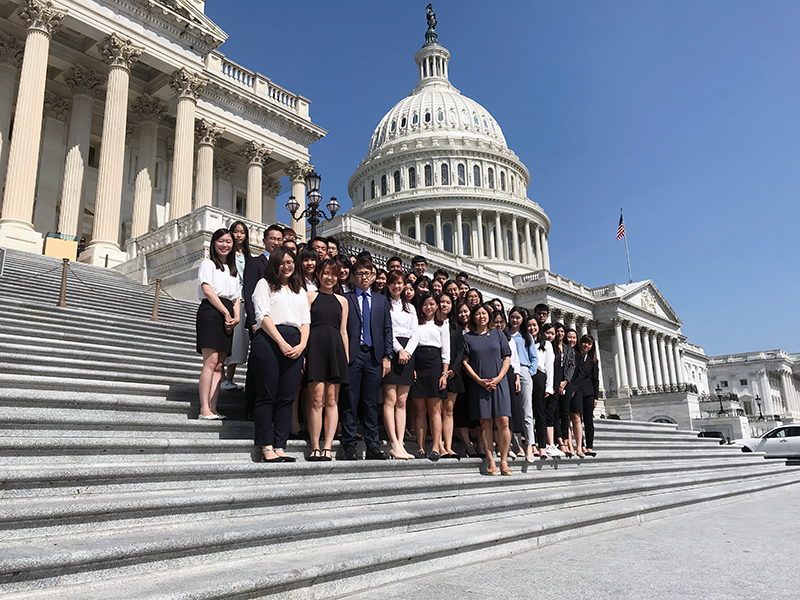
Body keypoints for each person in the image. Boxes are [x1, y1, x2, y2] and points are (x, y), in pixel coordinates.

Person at [251, 246, 310, 463]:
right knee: (267, 395)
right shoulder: (264, 284)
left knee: (287, 397)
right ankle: (266, 446)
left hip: (295, 344)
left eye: (290, 262)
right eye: (282, 262)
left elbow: (306, 321)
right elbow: (262, 315)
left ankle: (280, 445)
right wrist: (281, 342)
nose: (287, 266)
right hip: (269, 341)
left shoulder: (299, 290)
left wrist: (302, 345)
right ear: (275, 264)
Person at [341, 257, 392, 460]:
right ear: (353, 277)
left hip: (374, 356)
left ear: (374, 277)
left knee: (370, 403)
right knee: (350, 401)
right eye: (360, 274)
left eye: (368, 274)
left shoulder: (380, 300)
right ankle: (350, 445)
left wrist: (387, 356)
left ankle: (372, 445)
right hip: (353, 355)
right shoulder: (347, 298)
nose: (364, 277)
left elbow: (387, 330)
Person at [305, 259, 349, 461]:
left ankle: (328, 447)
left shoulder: (343, 301)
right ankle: (315, 445)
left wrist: (345, 359)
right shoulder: (310, 296)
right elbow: (304, 326)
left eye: (333, 274)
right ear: (319, 275)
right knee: (316, 399)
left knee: (332, 401)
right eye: (325, 273)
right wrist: (304, 353)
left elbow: (344, 331)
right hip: (315, 348)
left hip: (336, 351)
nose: (329, 278)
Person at [462, 303, 513, 476]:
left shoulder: (498, 334)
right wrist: (478, 380)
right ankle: (491, 462)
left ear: (489, 316)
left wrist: (498, 378)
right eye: (477, 314)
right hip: (480, 384)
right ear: (473, 317)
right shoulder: (468, 337)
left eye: (484, 313)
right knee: (485, 423)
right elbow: (465, 362)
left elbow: (507, 358)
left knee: (503, 421)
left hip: (499, 381)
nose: (481, 316)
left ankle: (504, 461)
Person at [196, 228, 240, 420]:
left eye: (228, 242)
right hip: (211, 312)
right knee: (210, 361)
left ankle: (213, 408)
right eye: (221, 241)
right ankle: (204, 407)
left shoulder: (232, 270)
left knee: (220, 364)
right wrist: (224, 312)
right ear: (214, 243)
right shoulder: (208, 264)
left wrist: (236, 316)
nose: (225, 245)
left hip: (228, 312)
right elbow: (207, 289)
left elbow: (237, 297)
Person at [242, 224, 284, 419]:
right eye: (272, 239)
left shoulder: (284, 266)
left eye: (279, 239)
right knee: (256, 366)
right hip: (259, 323)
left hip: (279, 324)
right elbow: (249, 293)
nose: (275, 242)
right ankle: (250, 407)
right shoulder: (255, 262)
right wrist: (252, 322)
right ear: (264, 240)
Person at [382, 270, 418, 460]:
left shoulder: (410, 308)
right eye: (393, 283)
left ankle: (401, 442)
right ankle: (393, 442)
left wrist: (408, 351)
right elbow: (387, 330)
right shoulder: (385, 305)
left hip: (408, 353)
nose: (397, 286)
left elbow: (415, 333)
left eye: (400, 283)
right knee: (390, 399)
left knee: (402, 401)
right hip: (392, 350)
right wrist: (399, 350)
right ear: (388, 285)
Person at [410, 293, 450, 461]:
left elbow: (445, 351)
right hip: (418, 363)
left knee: (435, 410)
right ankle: (420, 447)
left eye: (432, 304)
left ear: (436, 306)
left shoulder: (443, 325)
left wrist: (444, 373)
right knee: (419, 410)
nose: (428, 307)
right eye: (425, 304)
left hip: (434, 366)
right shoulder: (415, 323)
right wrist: (411, 368)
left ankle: (435, 446)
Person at [221, 221, 251, 392]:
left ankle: (229, 378)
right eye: (236, 231)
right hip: (230, 297)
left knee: (238, 343)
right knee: (226, 338)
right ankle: (222, 377)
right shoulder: (226, 254)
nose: (239, 235)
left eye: (242, 232)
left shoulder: (247, 256)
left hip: (243, 301)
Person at [508, 306, 538, 462]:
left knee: (527, 410)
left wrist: (529, 372)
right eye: (512, 317)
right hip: (509, 371)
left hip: (524, 371)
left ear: (522, 320)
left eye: (518, 318)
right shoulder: (505, 334)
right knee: (512, 409)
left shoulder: (527, 336)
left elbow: (534, 358)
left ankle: (530, 445)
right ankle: (516, 444)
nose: (515, 320)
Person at [452, 300, 480, 456]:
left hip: (476, 373)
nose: (463, 314)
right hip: (460, 372)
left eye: (466, 311)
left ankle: (481, 444)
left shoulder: (478, 330)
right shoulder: (455, 329)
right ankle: (468, 444)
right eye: (460, 312)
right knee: (461, 409)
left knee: (478, 409)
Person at [438, 292, 462, 459]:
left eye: (447, 302)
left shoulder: (455, 326)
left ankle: (448, 445)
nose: (444, 305)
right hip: (435, 370)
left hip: (452, 373)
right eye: (441, 302)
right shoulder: (431, 323)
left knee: (449, 410)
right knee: (436, 410)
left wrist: (453, 369)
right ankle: (438, 443)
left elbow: (460, 350)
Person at [527, 315, 553, 458]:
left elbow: (549, 367)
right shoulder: (525, 342)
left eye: (534, 325)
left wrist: (549, 386)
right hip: (527, 375)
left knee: (539, 413)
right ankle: (531, 446)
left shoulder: (546, 344)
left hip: (539, 376)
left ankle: (542, 446)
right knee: (527, 412)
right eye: (529, 325)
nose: (532, 328)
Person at [572, 334, 600, 458]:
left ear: (592, 346)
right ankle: (581, 445)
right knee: (578, 418)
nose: (586, 345)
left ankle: (589, 446)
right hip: (577, 390)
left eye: (589, 344)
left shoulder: (593, 360)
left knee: (588, 420)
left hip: (589, 392)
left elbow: (595, 379)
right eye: (584, 342)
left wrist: (596, 396)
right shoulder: (575, 355)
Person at [553, 323, 576, 457]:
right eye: (558, 331)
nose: (560, 334)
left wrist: (565, 382)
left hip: (566, 383)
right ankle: (560, 440)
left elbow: (572, 366)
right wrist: (558, 384)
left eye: (562, 331)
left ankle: (567, 441)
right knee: (555, 412)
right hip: (555, 382)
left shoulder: (569, 349)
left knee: (565, 413)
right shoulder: (551, 347)